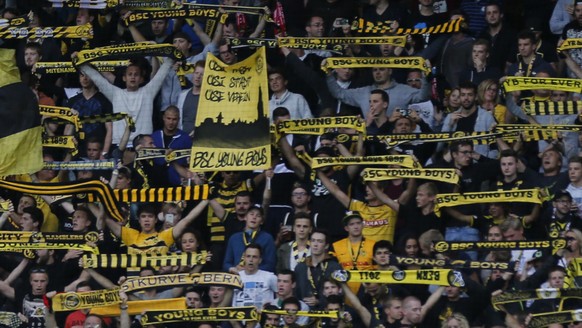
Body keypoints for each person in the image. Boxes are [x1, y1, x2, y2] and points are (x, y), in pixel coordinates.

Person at [77, 56, 174, 148]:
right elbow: (97, 79)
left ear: (141, 79)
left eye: (136, 75)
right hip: (119, 145)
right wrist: (80, 62)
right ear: (124, 78)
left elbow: (161, 74)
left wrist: (172, 56)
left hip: (143, 145)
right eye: (130, 74)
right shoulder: (115, 94)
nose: (133, 77)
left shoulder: (148, 92)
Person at [223, 206, 277, 273]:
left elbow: (270, 265)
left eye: (258, 216)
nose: (254, 217)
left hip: (258, 278)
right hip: (236, 277)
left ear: (262, 221)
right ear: (245, 217)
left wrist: (250, 270)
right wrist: (232, 269)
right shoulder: (234, 238)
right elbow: (226, 263)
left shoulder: (267, 238)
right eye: (251, 214)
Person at [152, 106, 192, 186]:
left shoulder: (185, 138)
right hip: (156, 183)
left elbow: (189, 162)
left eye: (174, 119)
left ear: (179, 120)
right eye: (168, 118)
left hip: (177, 183)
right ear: (163, 118)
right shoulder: (154, 137)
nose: (171, 122)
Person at [232, 244, 277, 308]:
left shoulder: (270, 277)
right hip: (240, 316)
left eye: (254, 257)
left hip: (263, 317)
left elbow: (281, 295)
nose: (251, 260)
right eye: (248, 256)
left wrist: (273, 307)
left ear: (260, 260)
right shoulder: (235, 277)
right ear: (244, 258)